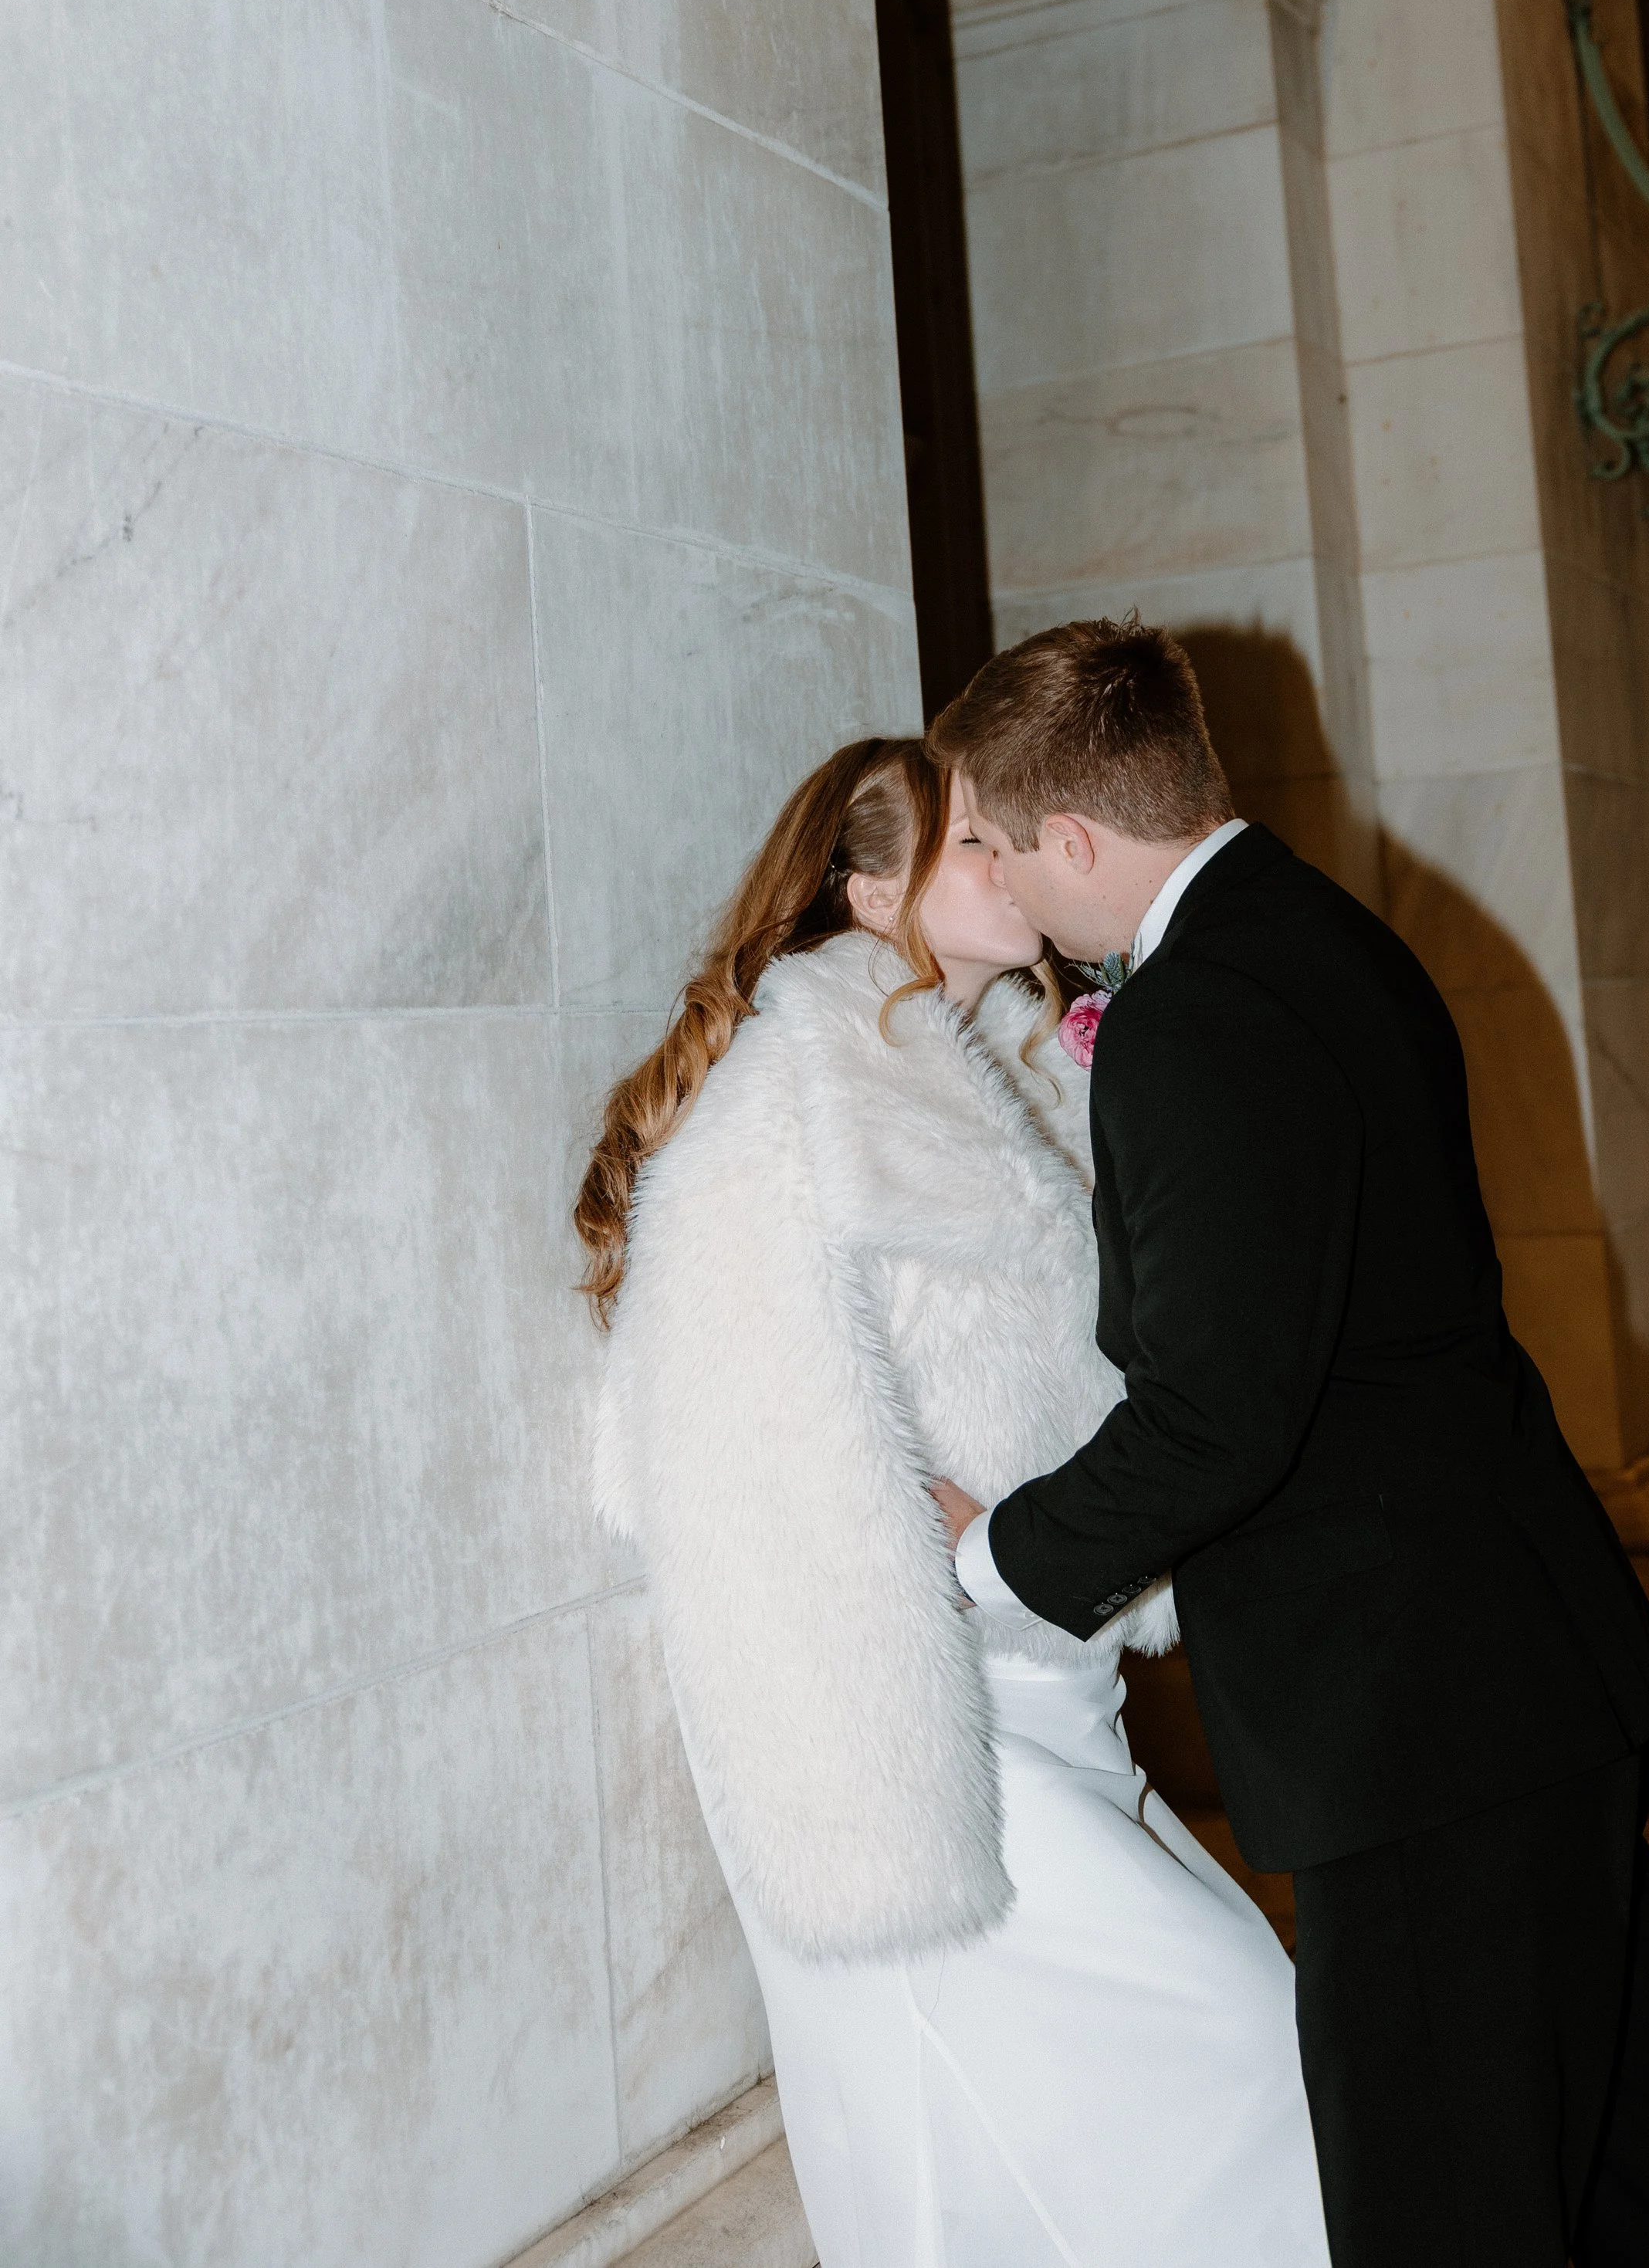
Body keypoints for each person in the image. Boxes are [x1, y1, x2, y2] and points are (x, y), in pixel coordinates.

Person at [926, 618, 1649, 2268]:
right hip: (1515, 1664)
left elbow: (1213, 1418)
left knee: (1442, 2208)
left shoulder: (1193, 1017)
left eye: (995, 844)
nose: (998, 885)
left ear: (1077, 841)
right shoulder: (1321, 928)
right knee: (1628, 2164)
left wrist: (984, 1562)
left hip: (1412, 1723)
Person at [576, 736, 1330, 2268]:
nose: (1011, 861)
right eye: (970, 842)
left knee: (1180, 2088)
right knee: (1234, 2048)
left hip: (1054, 1686)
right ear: (866, 888)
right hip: (921, 1723)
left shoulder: (1005, 1071)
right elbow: (706, 1434)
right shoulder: (793, 1088)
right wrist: (892, 1572)